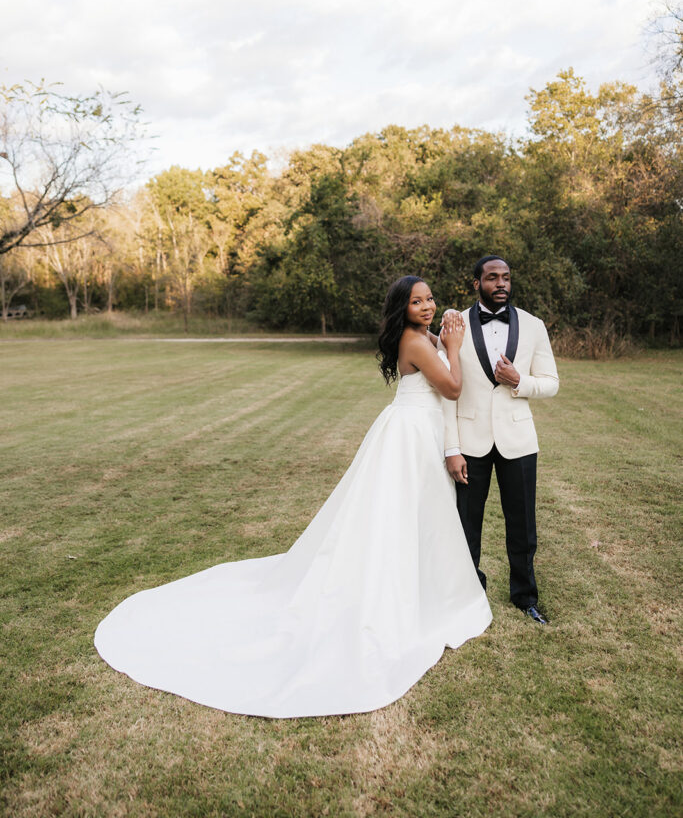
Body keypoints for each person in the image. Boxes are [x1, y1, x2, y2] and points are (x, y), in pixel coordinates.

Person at [95, 276, 492, 718]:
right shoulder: (415, 342)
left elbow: (440, 350)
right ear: (402, 307)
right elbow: (452, 388)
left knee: (416, 515)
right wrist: (453, 349)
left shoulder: (424, 335)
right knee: (394, 514)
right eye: (417, 302)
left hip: (419, 431)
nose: (427, 306)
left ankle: (424, 586)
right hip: (411, 434)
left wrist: (446, 330)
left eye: (430, 299)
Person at [440, 256, 559, 625]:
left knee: (522, 525)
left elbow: (552, 383)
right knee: (465, 523)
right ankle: (466, 592)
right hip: (469, 443)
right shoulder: (454, 323)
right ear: (477, 282)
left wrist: (519, 380)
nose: (501, 283)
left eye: (506, 277)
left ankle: (525, 597)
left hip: (518, 440)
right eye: (492, 278)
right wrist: (451, 448)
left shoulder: (534, 326)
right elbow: (445, 391)